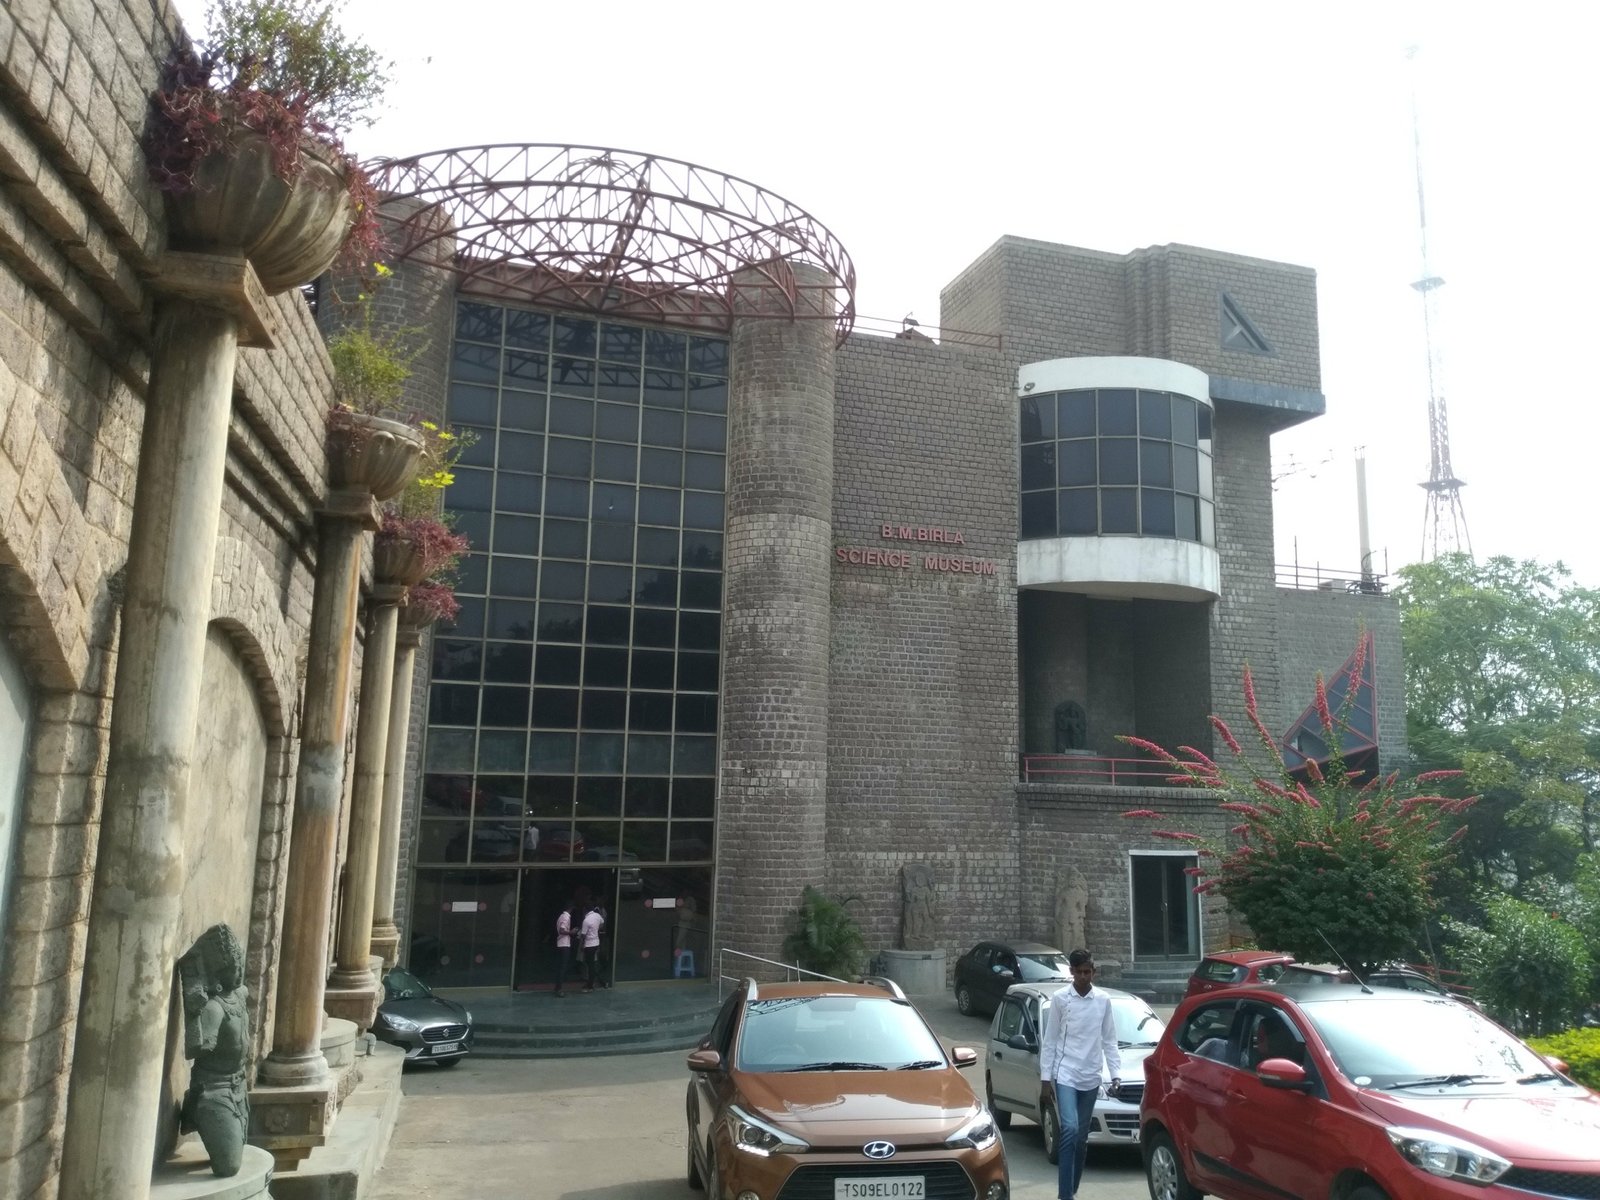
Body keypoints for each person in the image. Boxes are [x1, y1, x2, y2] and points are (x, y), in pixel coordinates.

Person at [1038, 948, 1121, 1200]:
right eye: (1079, 972)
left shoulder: (1103, 1000)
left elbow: (1110, 1039)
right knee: (1070, 1130)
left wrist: (1115, 1074)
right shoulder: (1061, 999)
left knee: (1082, 1138)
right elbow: (1050, 1040)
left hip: (1091, 1076)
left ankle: (1072, 1187)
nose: (1084, 977)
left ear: (1093, 971)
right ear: (1072, 972)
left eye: (1088, 972)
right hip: (1066, 1074)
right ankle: (1065, 1195)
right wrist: (1045, 1079)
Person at [580, 901, 606, 992]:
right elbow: (602, 923)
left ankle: (590, 985)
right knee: (591, 963)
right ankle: (591, 983)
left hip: (589, 945)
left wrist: (582, 945)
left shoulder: (586, 920)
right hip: (596, 943)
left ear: (585, 910)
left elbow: (583, 935)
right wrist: (596, 929)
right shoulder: (597, 916)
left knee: (590, 964)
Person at [553, 903, 574, 997]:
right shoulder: (566, 917)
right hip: (564, 944)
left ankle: (557, 986)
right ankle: (559, 989)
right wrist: (571, 932)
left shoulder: (561, 916)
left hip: (560, 943)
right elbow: (562, 930)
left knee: (560, 966)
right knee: (563, 967)